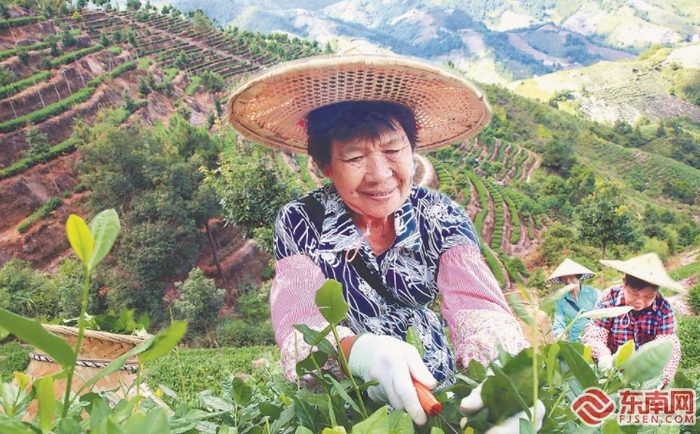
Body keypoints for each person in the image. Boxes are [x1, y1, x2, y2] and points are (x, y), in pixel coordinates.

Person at [227, 41, 537, 428]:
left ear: (412, 149)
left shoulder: (440, 216)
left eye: (393, 150)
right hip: (345, 402)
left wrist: (503, 372)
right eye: (355, 157)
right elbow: (300, 321)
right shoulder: (301, 221)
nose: (380, 174)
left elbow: (477, 306)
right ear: (324, 165)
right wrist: (359, 354)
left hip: (435, 391)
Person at [581, 253, 682, 387]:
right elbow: (596, 334)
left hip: (644, 371)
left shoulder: (663, 308)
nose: (639, 301)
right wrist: (603, 357)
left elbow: (668, 346)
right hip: (612, 365)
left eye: (648, 296)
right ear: (624, 283)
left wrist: (662, 378)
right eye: (633, 294)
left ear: (656, 292)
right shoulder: (610, 299)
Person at [548, 258, 599, 342]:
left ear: (578, 277)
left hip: (595, 336)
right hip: (576, 339)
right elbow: (559, 321)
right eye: (564, 278)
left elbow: (603, 316)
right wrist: (560, 334)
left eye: (571, 277)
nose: (568, 281)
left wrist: (592, 331)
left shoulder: (593, 293)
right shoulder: (561, 299)